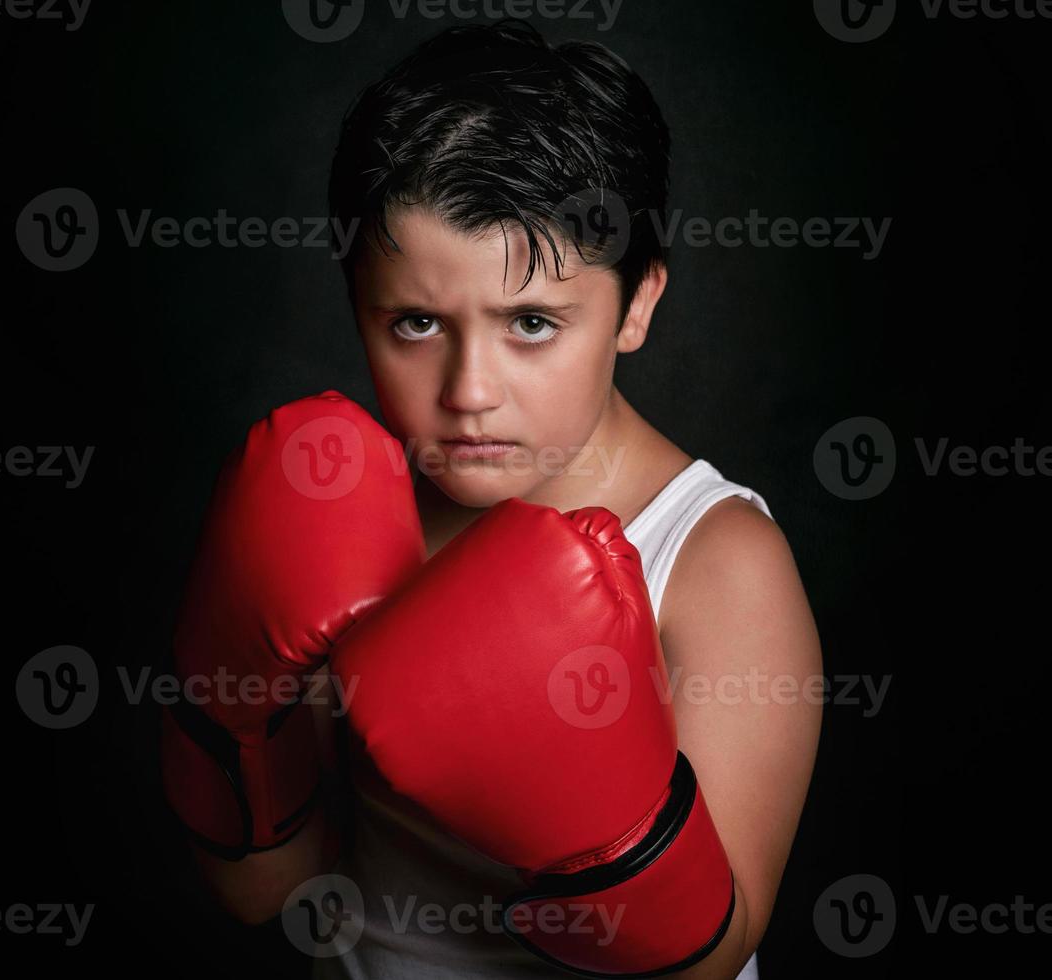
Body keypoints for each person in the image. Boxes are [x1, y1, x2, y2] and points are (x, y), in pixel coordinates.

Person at [169, 20, 821, 979]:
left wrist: (606, 836)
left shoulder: (714, 559)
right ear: (357, 303)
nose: (469, 389)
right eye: (418, 322)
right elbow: (264, 890)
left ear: (637, 303)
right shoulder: (337, 526)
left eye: (532, 323)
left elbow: (708, 962)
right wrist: (235, 717)